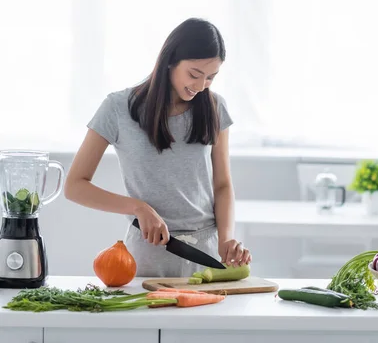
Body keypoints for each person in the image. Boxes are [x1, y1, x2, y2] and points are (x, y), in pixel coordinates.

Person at [64, 17, 251, 277]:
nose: (200, 86)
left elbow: (222, 184)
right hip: (146, 254)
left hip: (206, 253)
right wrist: (137, 207)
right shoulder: (117, 108)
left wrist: (226, 239)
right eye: (194, 74)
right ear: (170, 60)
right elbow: (75, 186)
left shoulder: (215, 107)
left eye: (211, 77)